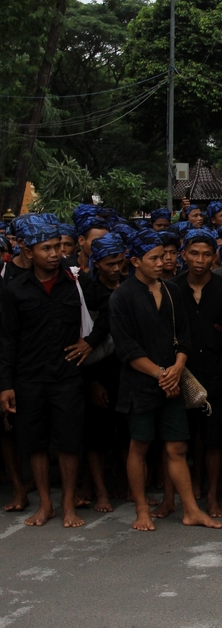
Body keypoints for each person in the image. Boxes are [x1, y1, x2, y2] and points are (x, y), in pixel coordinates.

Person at [0, 218, 110, 528]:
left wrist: (89, 343)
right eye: (45, 248)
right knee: (33, 442)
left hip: (67, 376)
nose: (53, 254)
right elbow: (7, 339)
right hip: (28, 377)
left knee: (68, 440)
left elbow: (110, 309)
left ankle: (68, 507)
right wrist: (5, 385)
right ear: (28, 250)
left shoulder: (76, 281)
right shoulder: (15, 289)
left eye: (57, 248)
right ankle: (45, 505)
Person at [110, 230, 222, 532]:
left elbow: (184, 337)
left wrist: (177, 367)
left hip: (173, 381)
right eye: (154, 258)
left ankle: (191, 510)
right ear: (135, 261)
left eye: (164, 256)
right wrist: (161, 374)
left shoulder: (172, 291)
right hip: (141, 384)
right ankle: (142, 509)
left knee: (177, 448)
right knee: (140, 446)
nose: (163, 262)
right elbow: (127, 349)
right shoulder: (122, 296)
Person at [166, 228, 222, 519]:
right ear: (183, 255)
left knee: (214, 441)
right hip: (180, 375)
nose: (200, 260)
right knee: (176, 440)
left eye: (207, 254)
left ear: (215, 258)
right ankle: (172, 498)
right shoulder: (171, 288)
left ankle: (212, 497)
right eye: (194, 253)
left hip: (217, 374)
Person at [81, 233, 128, 514]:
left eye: (120, 262)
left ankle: (125, 482)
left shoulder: (131, 287)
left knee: (127, 434)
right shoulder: (86, 293)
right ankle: (99, 491)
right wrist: (94, 382)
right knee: (96, 437)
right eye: (110, 263)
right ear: (97, 263)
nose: (116, 268)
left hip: (128, 372)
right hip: (98, 373)